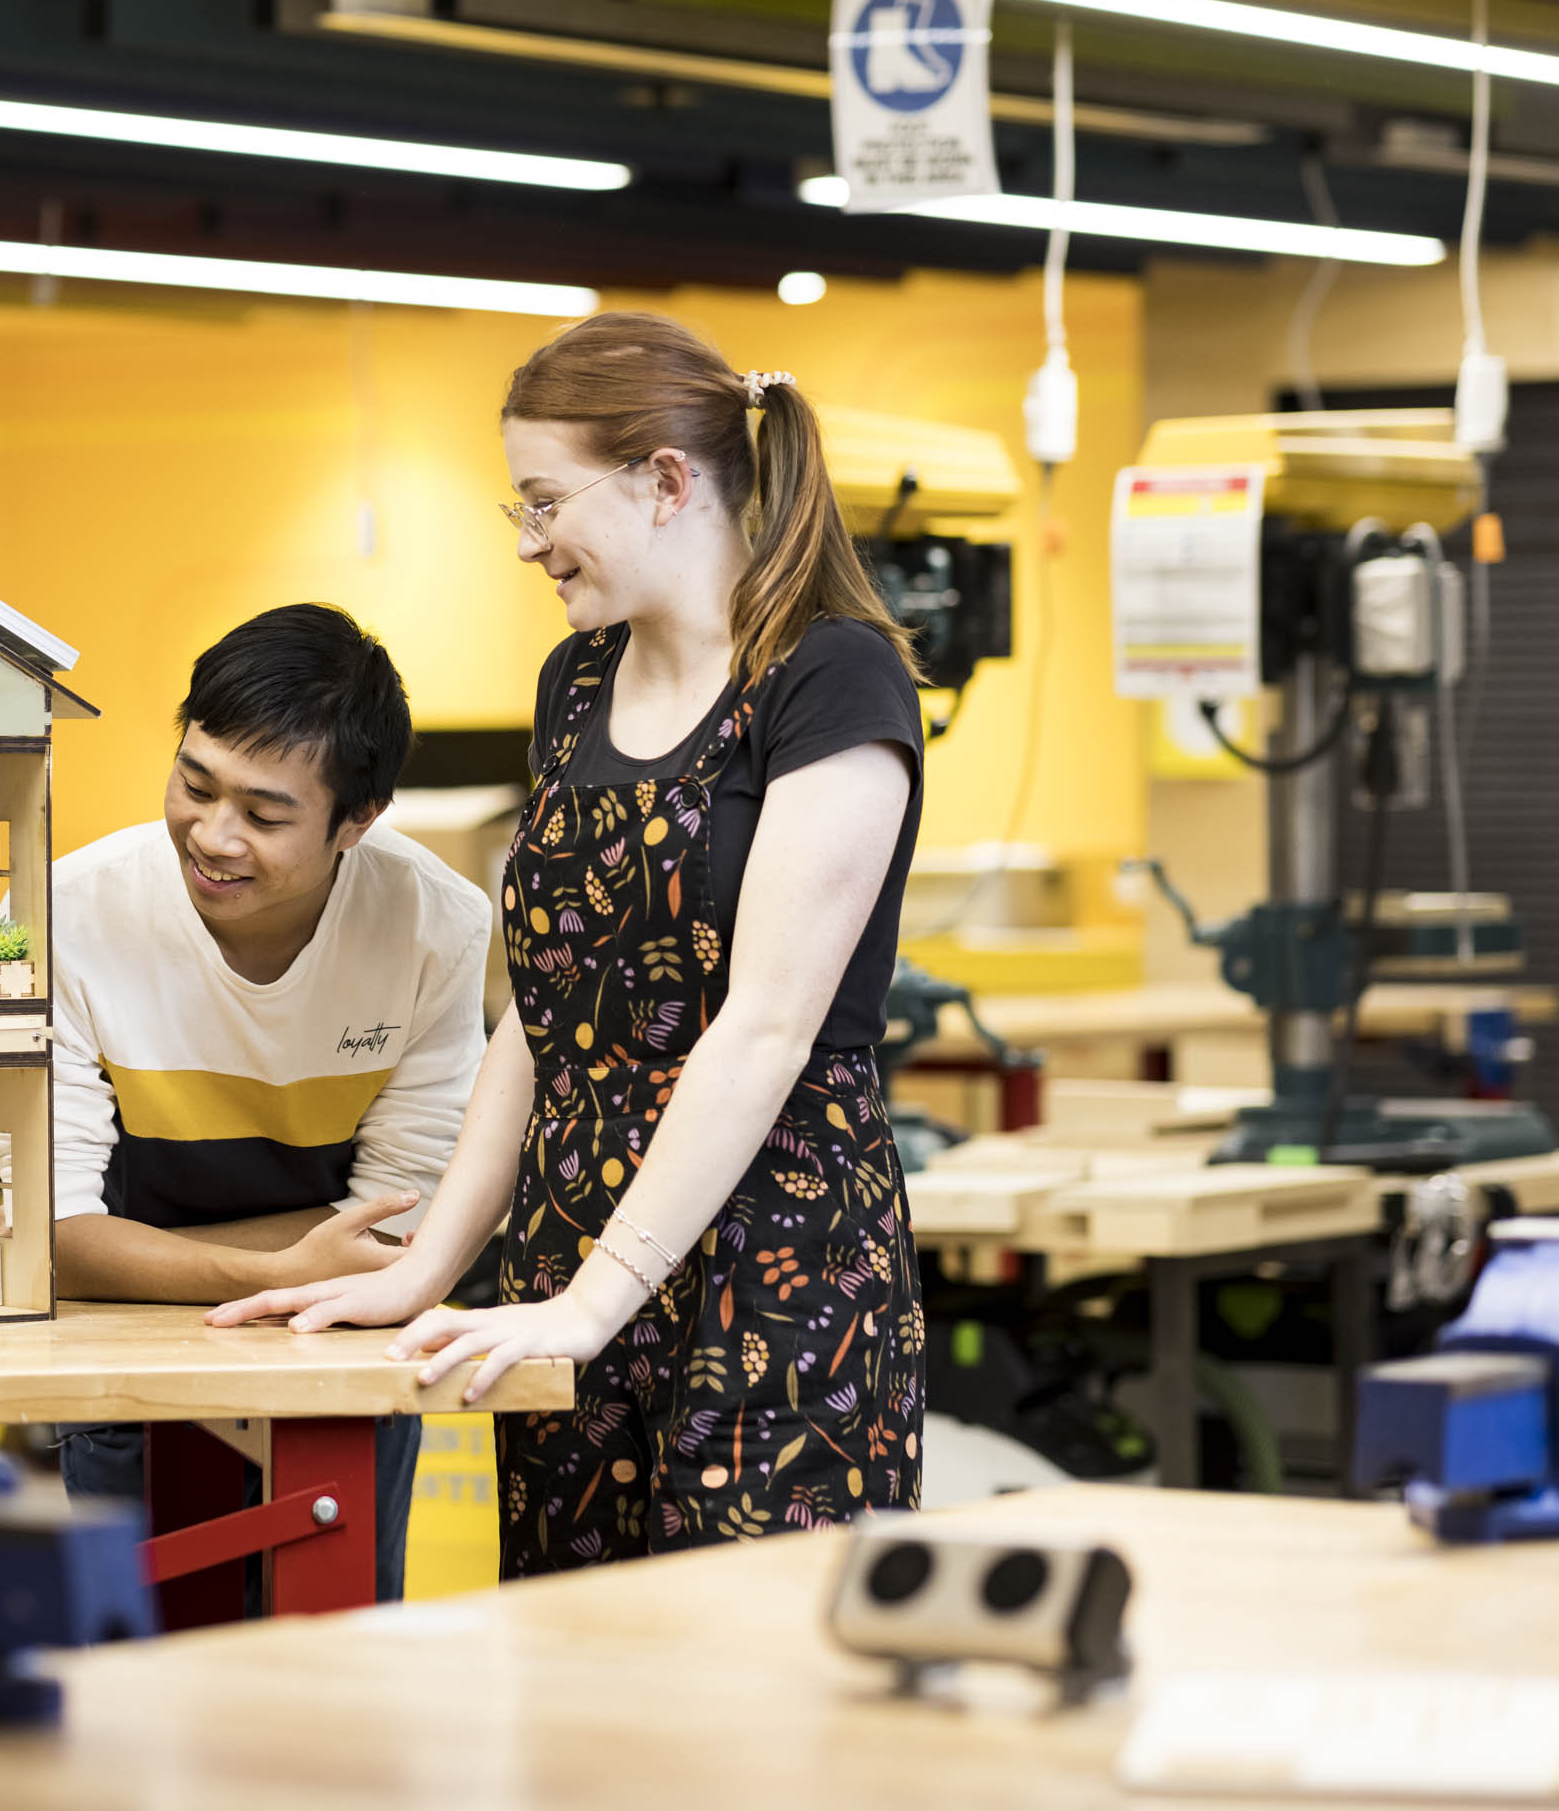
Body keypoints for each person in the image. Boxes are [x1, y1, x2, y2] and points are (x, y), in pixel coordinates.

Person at [213, 311, 927, 1576]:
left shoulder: (832, 679)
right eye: (519, 509)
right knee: (579, 1665)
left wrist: (604, 1296)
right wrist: (433, 1266)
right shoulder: (577, 683)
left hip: (771, 1257)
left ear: (663, 480)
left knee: (752, 1686)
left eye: (545, 502)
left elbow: (763, 1030)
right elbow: (545, 1019)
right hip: (564, 1256)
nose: (532, 543)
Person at [51, 604, 493, 1602]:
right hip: (123, 1356)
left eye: (265, 814)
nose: (213, 837)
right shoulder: (69, 914)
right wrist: (288, 1261)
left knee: (334, 1670)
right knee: (138, 1676)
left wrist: (151, 1252)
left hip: (332, 1355)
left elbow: (400, 1229)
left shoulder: (435, 925)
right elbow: (46, 1232)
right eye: (193, 784)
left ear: (358, 819)